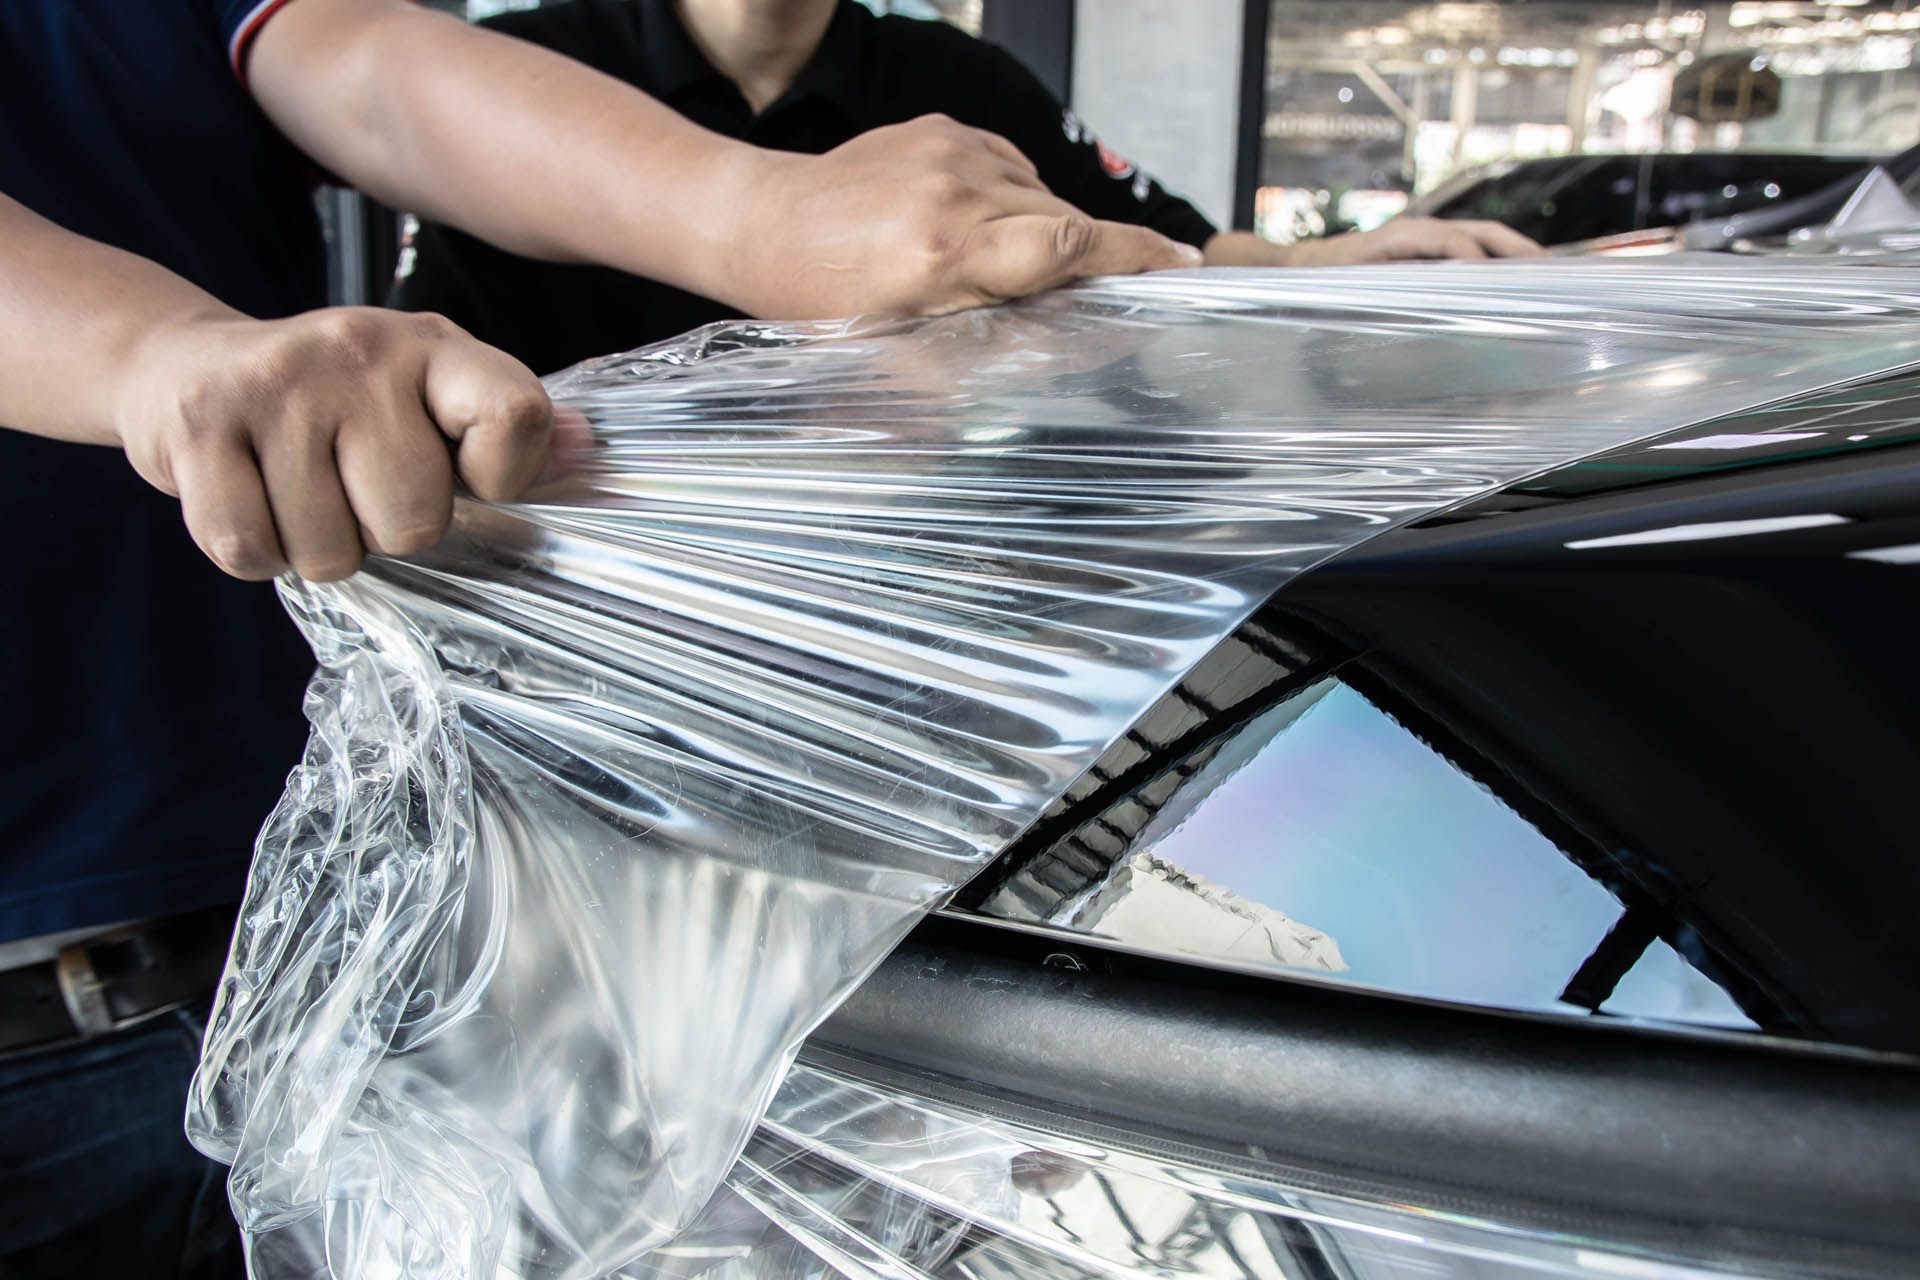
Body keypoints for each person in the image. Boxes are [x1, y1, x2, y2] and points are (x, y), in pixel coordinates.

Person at [0, 1, 1198, 1274]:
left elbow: (366, 71)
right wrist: (160, 354)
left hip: (318, 943)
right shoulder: (571, 37)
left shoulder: (941, 79)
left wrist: (764, 219)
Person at [392, 0, 1542, 374]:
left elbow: (1158, 246)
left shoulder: (952, 83)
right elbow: (440, 351)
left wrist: (1331, 260)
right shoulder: (525, 79)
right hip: (581, 604)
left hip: (882, 594)